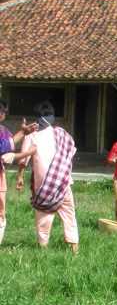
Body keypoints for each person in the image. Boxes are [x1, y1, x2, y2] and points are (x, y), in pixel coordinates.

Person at [16, 101, 79, 254]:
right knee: (63, 215)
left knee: (55, 216)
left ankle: (68, 247)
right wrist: (20, 177)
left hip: (58, 184)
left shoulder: (59, 133)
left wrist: (20, 177)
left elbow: (68, 152)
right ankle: (61, 248)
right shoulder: (36, 135)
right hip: (55, 183)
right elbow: (24, 160)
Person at [0, 99, 38, 245]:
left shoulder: (3, 131)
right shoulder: (2, 132)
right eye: (3, 112)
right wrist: (23, 135)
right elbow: (5, 151)